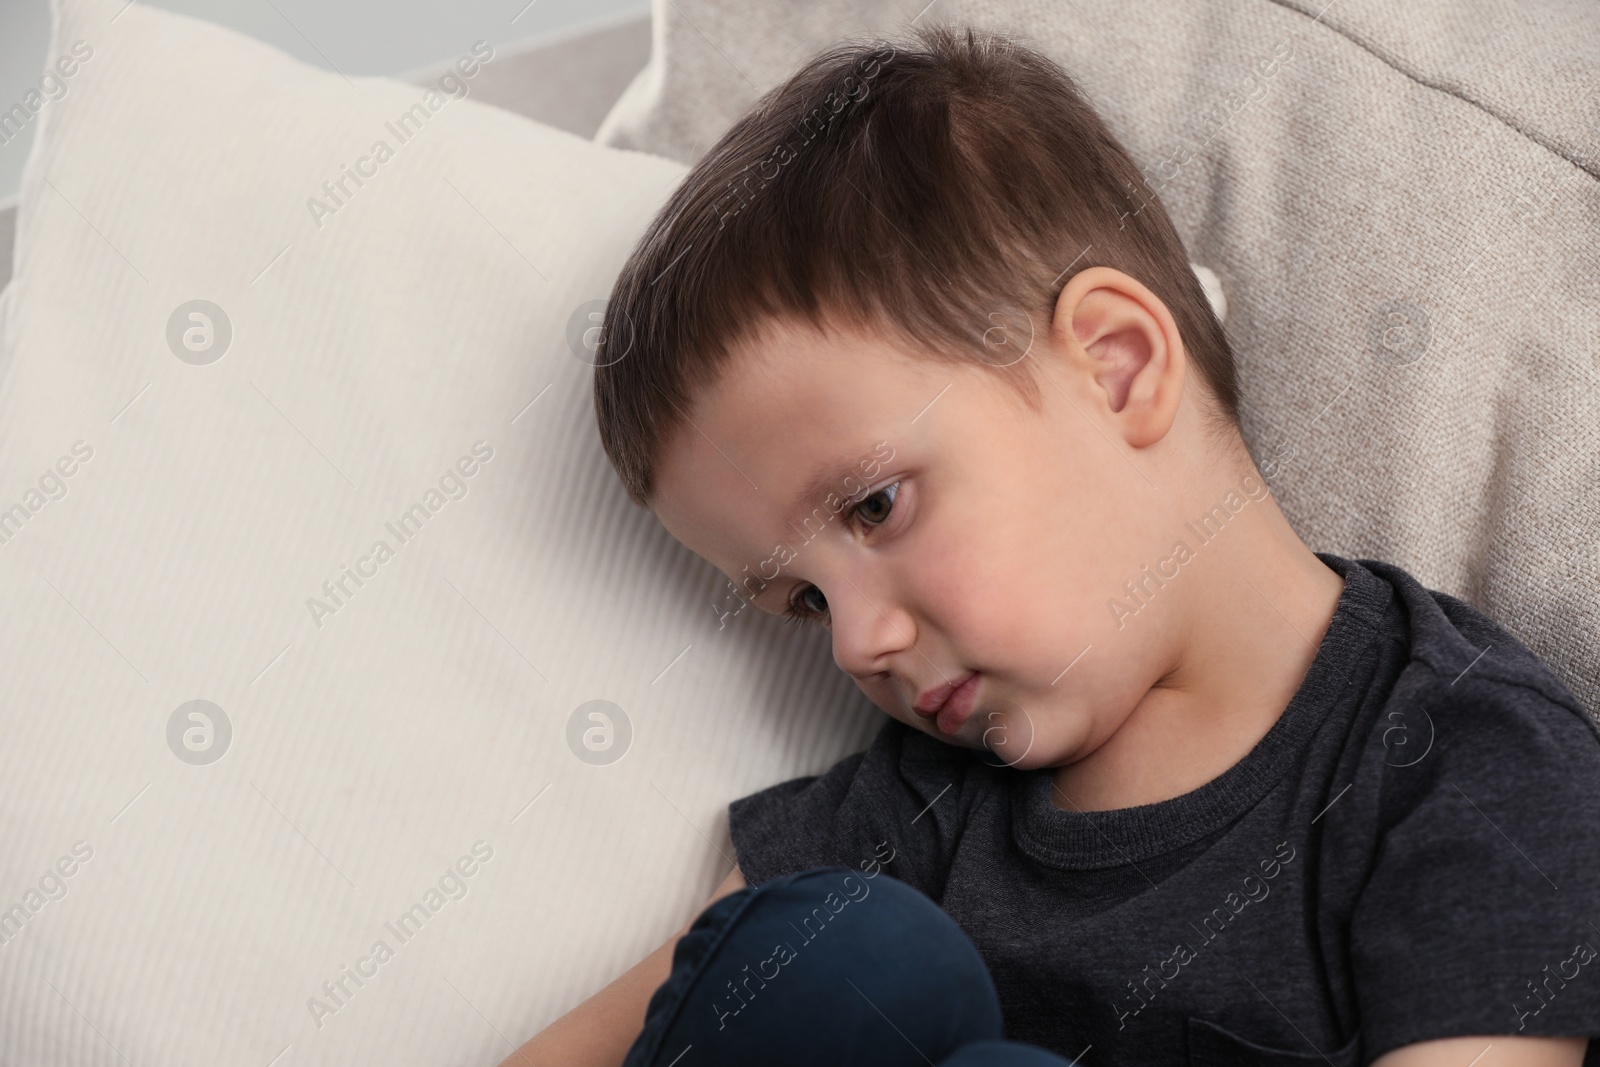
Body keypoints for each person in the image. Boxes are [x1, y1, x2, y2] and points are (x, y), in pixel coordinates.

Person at [503, 24, 1600, 1067]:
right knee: (843, 952)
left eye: (875, 506)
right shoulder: (913, 811)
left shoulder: (1461, 760)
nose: (857, 644)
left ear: (1116, 367)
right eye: (802, 600)